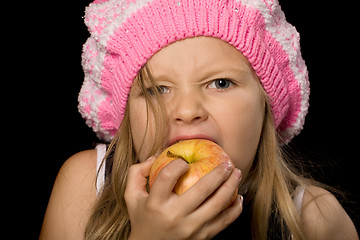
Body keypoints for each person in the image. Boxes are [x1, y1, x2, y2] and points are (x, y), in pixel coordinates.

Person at [40, 0, 359, 239]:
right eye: (157, 89)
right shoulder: (85, 186)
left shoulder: (313, 219)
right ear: (126, 118)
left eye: (220, 83)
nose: (186, 109)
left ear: (267, 103)